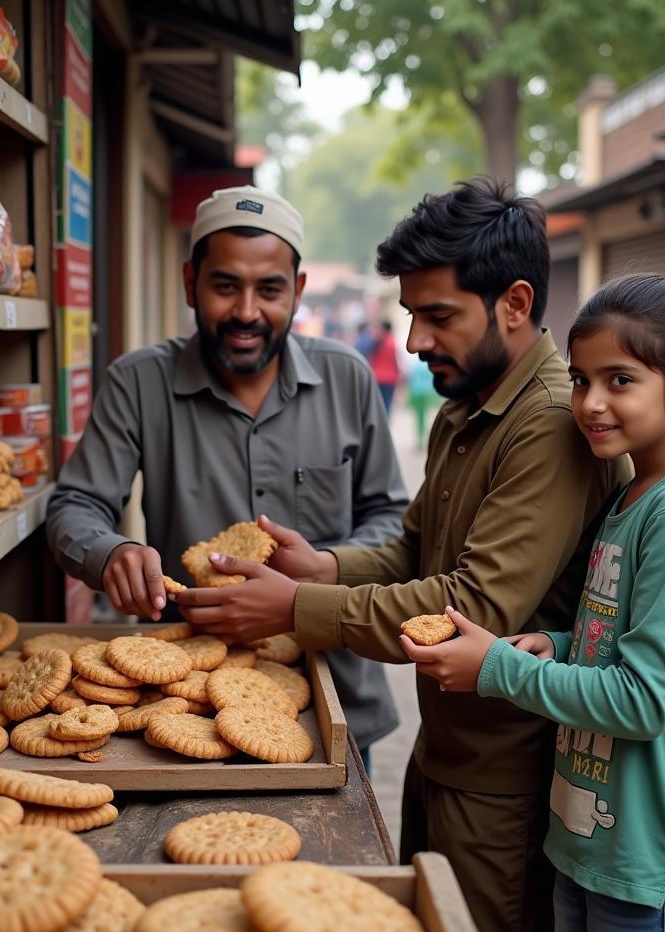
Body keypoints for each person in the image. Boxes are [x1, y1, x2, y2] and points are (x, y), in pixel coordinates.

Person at [174, 178, 627, 932]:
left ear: (515, 304)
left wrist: (292, 612)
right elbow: (413, 551)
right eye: (409, 314)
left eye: (438, 316)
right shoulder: (467, 409)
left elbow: (472, 606)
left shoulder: (550, 424)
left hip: (510, 779)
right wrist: (323, 570)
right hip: (445, 755)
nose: (414, 340)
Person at [403, 274, 665, 932]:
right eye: (584, 380)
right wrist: (553, 642)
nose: (590, 402)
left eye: (620, 381)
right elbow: (617, 639)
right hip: (592, 842)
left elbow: (644, 697)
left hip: (654, 863)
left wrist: (501, 669)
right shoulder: (632, 497)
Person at [46, 185, 408, 765]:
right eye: (224, 286)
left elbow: (392, 520)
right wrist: (109, 552)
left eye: (269, 290)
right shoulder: (138, 383)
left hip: (334, 692)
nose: (246, 312)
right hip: (185, 704)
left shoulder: (349, 380)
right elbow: (74, 506)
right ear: (191, 283)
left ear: (298, 290)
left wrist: (322, 574)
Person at [368, 320, 402, 415]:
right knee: (387, 405)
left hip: (377, 377)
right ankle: (386, 426)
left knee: (377, 405)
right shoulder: (392, 342)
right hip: (390, 379)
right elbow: (396, 361)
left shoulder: (376, 340)